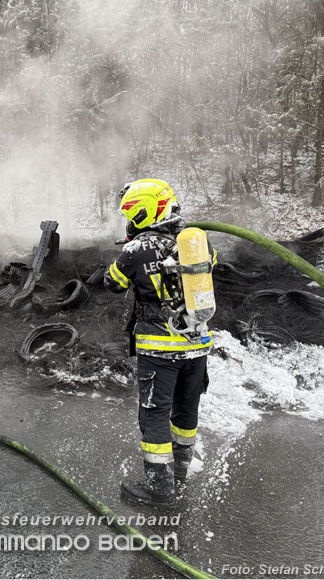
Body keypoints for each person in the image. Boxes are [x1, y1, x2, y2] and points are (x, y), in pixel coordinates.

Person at [104, 178, 217, 508]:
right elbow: (211, 267)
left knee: (154, 414)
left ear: (144, 213)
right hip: (197, 344)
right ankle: (179, 473)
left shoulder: (135, 250)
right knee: (186, 409)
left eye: (132, 215)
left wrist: (133, 247)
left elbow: (112, 283)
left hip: (160, 349)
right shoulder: (196, 243)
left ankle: (160, 488)